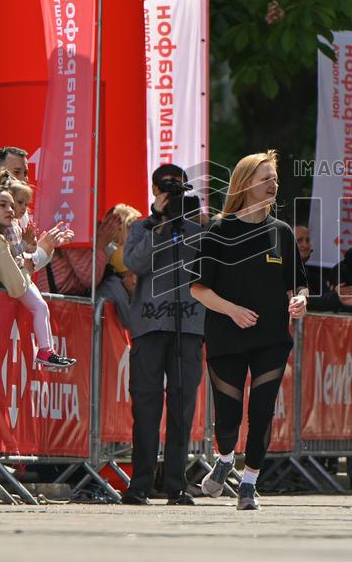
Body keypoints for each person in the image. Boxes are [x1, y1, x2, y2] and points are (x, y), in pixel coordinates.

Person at [191, 150, 308, 511]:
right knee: (228, 418)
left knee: (262, 412)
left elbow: (299, 285)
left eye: (275, 178)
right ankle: (224, 458)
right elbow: (198, 288)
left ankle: (249, 484)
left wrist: (301, 302)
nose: (273, 184)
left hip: (271, 338)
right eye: (265, 178)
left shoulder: (282, 232)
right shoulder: (217, 230)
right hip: (226, 335)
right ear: (245, 183)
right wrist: (233, 311)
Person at [120, 164, 205, 506]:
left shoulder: (198, 229)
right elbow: (136, 264)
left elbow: (209, 267)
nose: (173, 193)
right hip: (149, 326)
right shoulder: (141, 227)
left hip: (189, 326)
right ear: (155, 190)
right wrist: (159, 223)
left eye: (179, 187)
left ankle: (176, 485)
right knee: (146, 406)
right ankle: (139, 484)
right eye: (167, 187)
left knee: (182, 409)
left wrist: (196, 224)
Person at [0, 172, 75, 367]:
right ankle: (45, 351)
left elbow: (25, 255)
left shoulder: (15, 227)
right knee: (40, 307)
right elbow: (18, 267)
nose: (13, 210)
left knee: (41, 307)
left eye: (16, 204)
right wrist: (31, 255)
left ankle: (46, 350)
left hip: (9, 288)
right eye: (4, 205)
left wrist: (33, 246)